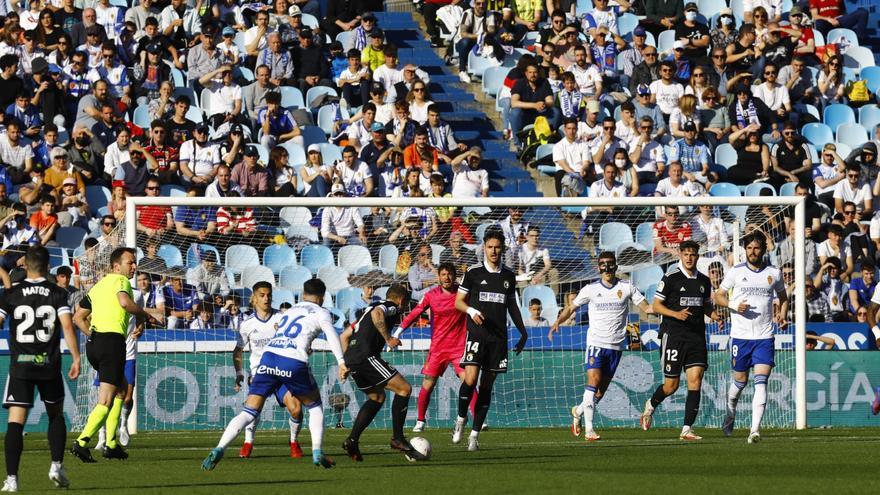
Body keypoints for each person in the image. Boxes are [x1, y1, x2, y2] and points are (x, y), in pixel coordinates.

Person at [202, 279, 346, 470]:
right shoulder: (321, 312)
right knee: (314, 406)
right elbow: (331, 334)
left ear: (303, 295)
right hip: (293, 361)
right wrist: (342, 362)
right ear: (322, 296)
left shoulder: (292, 309)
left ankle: (220, 448)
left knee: (249, 411)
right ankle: (318, 452)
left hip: (269, 358)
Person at [70, 247, 163, 462]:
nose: (134, 266)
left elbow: (78, 317)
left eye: (134, 262)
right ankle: (82, 442)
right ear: (116, 266)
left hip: (96, 344)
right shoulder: (121, 282)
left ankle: (111, 444)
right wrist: (145, 314)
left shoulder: (98, 286)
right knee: (106, 399)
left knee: (121, 391)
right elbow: (124, 302)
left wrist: (91, 335)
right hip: (112, 343)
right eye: (130, 262)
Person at [1, 246, 81, 492]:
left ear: (25, 266)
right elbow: (67, 326)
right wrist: (76, 357)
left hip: (21, 366)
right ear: (48, 268)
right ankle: (56, 465)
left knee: (16, 422)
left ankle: (12, 479)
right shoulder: (57, 292)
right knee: (55, 414)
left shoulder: (11, 294)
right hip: (49, 364)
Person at [548, 250, 652, 441]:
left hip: (616, 347)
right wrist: (557, 322)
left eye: (610, 263)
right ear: (598, 267)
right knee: (593, 381)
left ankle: (578, 411)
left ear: (616, 266)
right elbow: (571, 307)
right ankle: (589, 430)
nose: (607, 267)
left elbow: (647, 307)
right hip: (596, 343)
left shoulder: (627, 286)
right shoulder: (590, 289)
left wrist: (666, 310)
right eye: (603, 263)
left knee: (600, 392)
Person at [453, 229, 528, 451]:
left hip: (498, 338)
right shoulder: (473, 273)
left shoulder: (508, 276)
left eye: (497, 247)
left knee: (487, 385)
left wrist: (522, 331)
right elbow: (458, 301)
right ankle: (460, 420)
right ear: (484, 247)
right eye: (490, 247)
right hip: (477, 334)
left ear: (503, 248)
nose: (494, 251)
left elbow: (512, 305)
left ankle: (474, 436)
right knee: (470, 379)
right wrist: (471, 311)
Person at [640, 240, 718, 440]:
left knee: (696, 379)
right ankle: (650, 405)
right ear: (680, 256)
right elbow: (656, 306)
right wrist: (676, 314)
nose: (690, 257)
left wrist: (715, 315)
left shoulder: (703, 280)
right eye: (686, 254)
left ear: (698, 256)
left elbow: (706, 306)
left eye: (693, 254)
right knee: (671, 386)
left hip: (696, 337)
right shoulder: (671, 277)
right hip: (673, 336)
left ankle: (686, 429)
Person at [339, 283, 427, 461]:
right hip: (366, 357)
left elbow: (344, 335)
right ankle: (397, 438)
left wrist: (345, 363)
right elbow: (377, 314)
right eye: (405, 305)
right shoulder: (390, 307)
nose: (402, 310)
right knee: (404, 389)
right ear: (401, 300)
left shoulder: (366, 310)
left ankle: (352, 440)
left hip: (353, 359)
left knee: (377, 397)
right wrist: (389, 338)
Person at [714, 231, 788, 443]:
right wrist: (733, 304)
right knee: (740, 381)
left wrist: (782, 316)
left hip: (765, 336)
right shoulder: (735, 272)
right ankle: (730, 412)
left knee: (761, 382)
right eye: (749, 248)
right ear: (744, 250)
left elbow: (783, 298)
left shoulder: (774, 273)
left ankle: (754, 430)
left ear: (763, 249)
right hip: (740, 336)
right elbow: (717, 295)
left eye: (756, 248)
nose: (752, 252)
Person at [396, 262, 475, 433]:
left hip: (458, 347)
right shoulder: (431, 295)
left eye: (450, 274)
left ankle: (478, 420)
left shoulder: (463, 294)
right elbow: (415, 313)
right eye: (443, 274)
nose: (447, 278)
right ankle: (420, 420)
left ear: (454, 276)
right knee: (428, 384)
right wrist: (398, 332)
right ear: (438, 277)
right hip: (438, 348)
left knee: (468, 381)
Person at [231, 282, 306, 459]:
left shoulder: (282, 319)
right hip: (260, 373)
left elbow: (295, 341)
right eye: (262, 295)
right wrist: (239, 374)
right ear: (254, 298)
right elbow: (238, 350)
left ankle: (294, 441)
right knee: (252, 412)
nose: (266, 298)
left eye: (269, 295)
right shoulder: (247, 324)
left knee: (296, 409)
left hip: (282, 372)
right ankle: (248, 442)